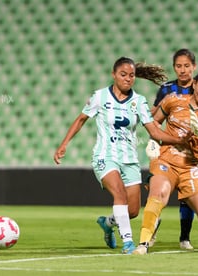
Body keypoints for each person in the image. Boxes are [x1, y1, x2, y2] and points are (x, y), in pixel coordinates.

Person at [53, 57, 187, 254]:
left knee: (132, 210)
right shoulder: (100, 97)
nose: (128, 79)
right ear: (113, 74)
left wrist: (178, 140)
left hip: (130, 160)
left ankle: (108, 223)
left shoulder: (139, 101)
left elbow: (155, 132)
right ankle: (128, 243)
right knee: (119, 195)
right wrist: (63, 144)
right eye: (123, 74)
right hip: (105, 156)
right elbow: (81, 119)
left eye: (131, 75)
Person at [133, 69, 198, 255]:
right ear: (194, 84)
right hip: (165, 161)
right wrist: (153, 141)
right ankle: (143, 243)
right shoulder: (172, 100)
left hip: (191, 168)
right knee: (158, 195)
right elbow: (155, 123)